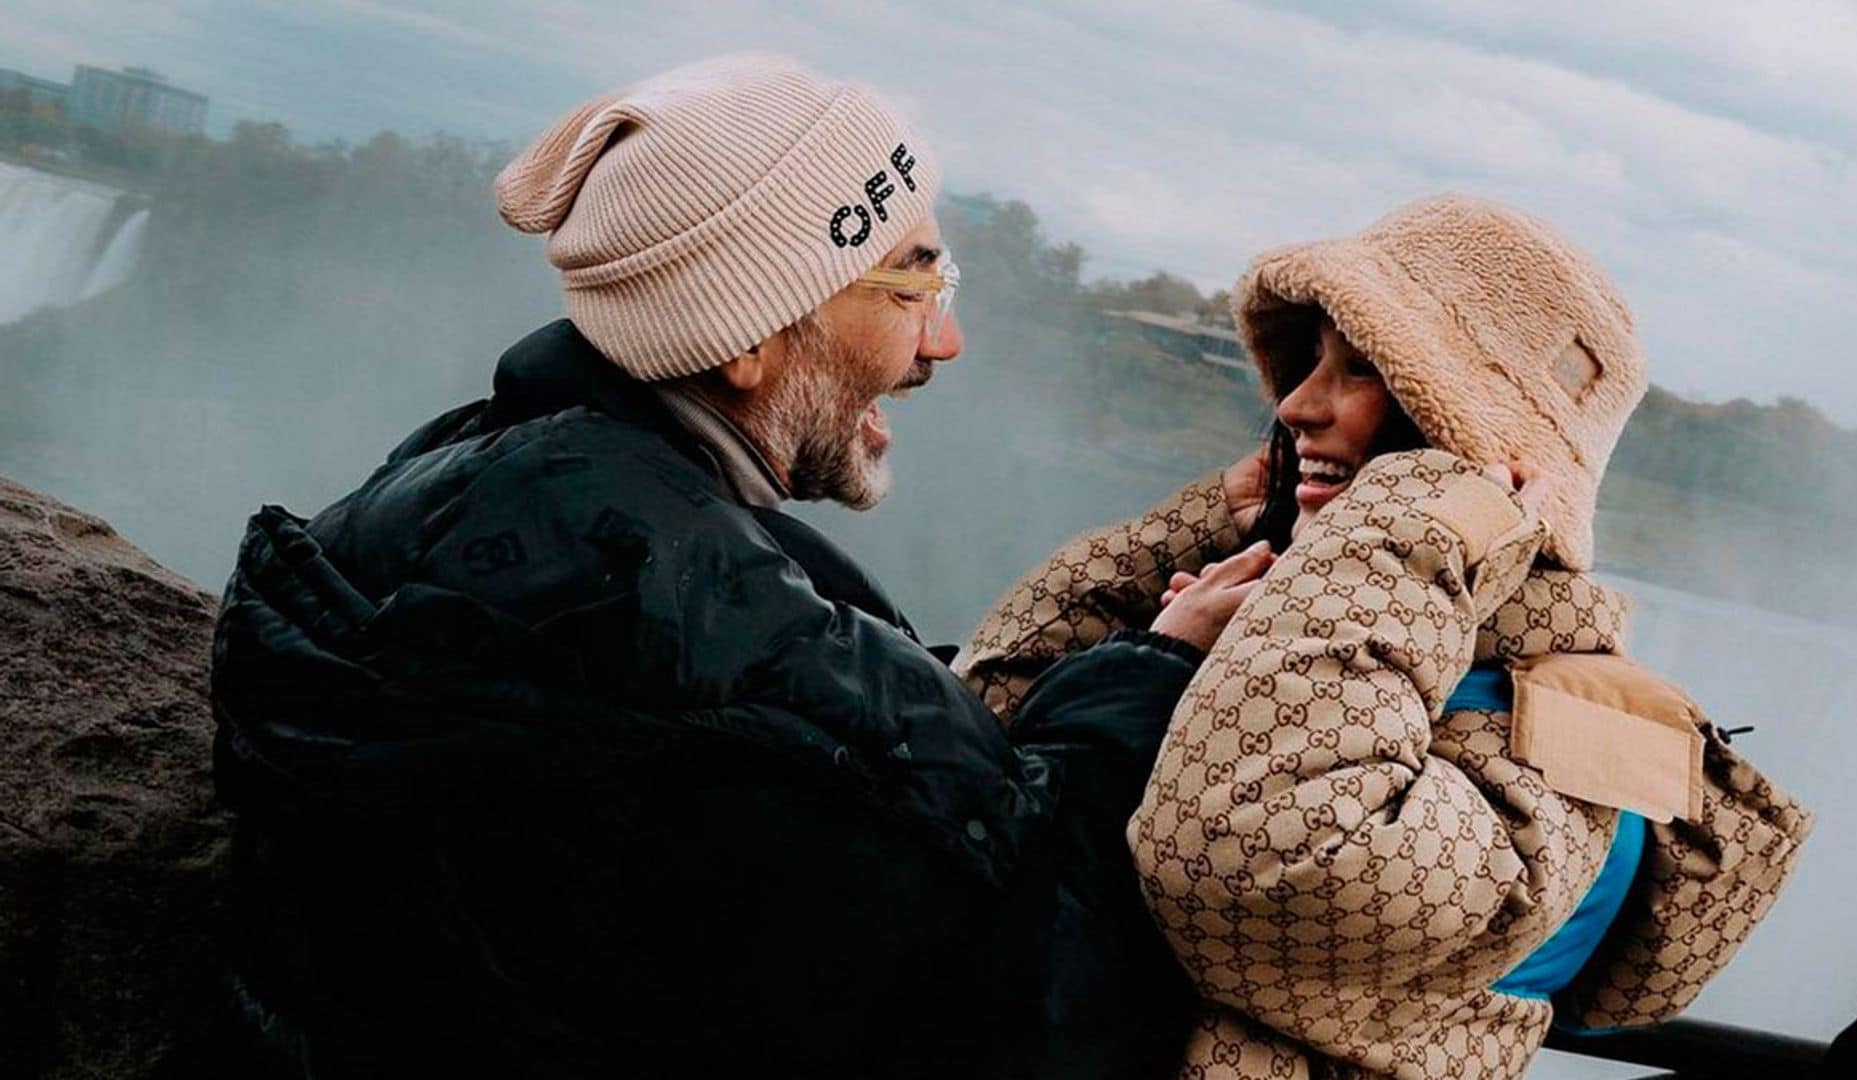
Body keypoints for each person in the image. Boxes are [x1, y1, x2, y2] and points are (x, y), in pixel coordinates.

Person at [208, 53, 1271, 1080]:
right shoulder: (704, 626)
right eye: (910, 286)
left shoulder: (458, 472)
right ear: (750, 339)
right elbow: (1039, 1010)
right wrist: (1154, 676)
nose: (942, 344)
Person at [960, 195, 1813, 1078]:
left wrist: (1419, 525)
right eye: (1308, 361)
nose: (1295, 405)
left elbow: (1255, 866)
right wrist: (1206, 535)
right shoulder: (1311, 628)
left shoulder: (1577, 739)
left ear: (1473, 442)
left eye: (1363, 369)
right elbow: (987, 733)